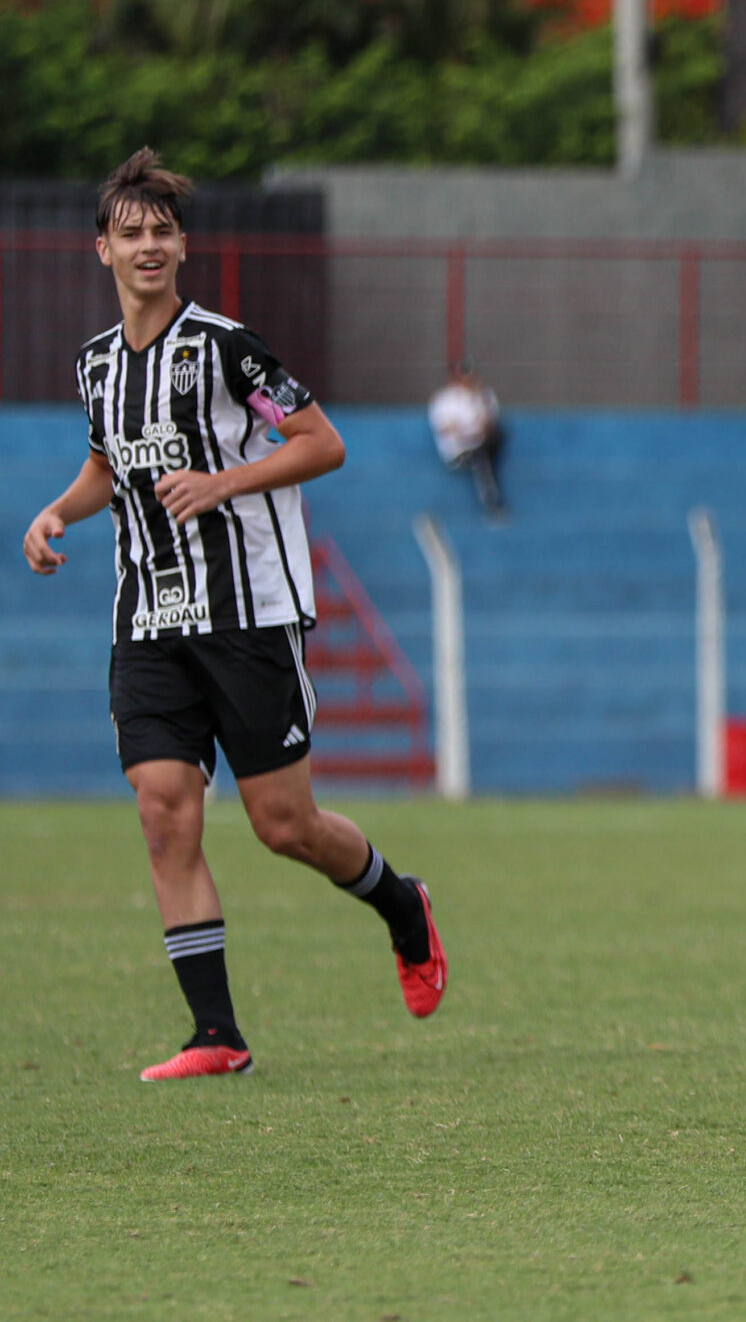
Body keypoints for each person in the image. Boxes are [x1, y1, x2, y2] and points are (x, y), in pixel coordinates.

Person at [21, 149, 446, 1081]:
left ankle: (402, 904)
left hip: (247, 615)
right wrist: (58, 509)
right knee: (165, 813)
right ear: (102, 249)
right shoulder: (97, 367)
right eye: (130, 232)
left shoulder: (226, 349)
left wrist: (223, 482)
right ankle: (216, 1034)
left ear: (182, 245)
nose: (148, 245)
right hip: (148, 620)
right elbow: (108, 464)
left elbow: (319, 440)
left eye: (162, 231)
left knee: (282, 824)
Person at [428, 360, 506, 515]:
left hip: (481, 446)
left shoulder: (484, 396)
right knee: (479, 458)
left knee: (487, 448)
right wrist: (468, 431)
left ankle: (493, 503)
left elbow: (488, 427)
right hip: (457, 451)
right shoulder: (446, 399)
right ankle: (492, 503)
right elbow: (446, 429)